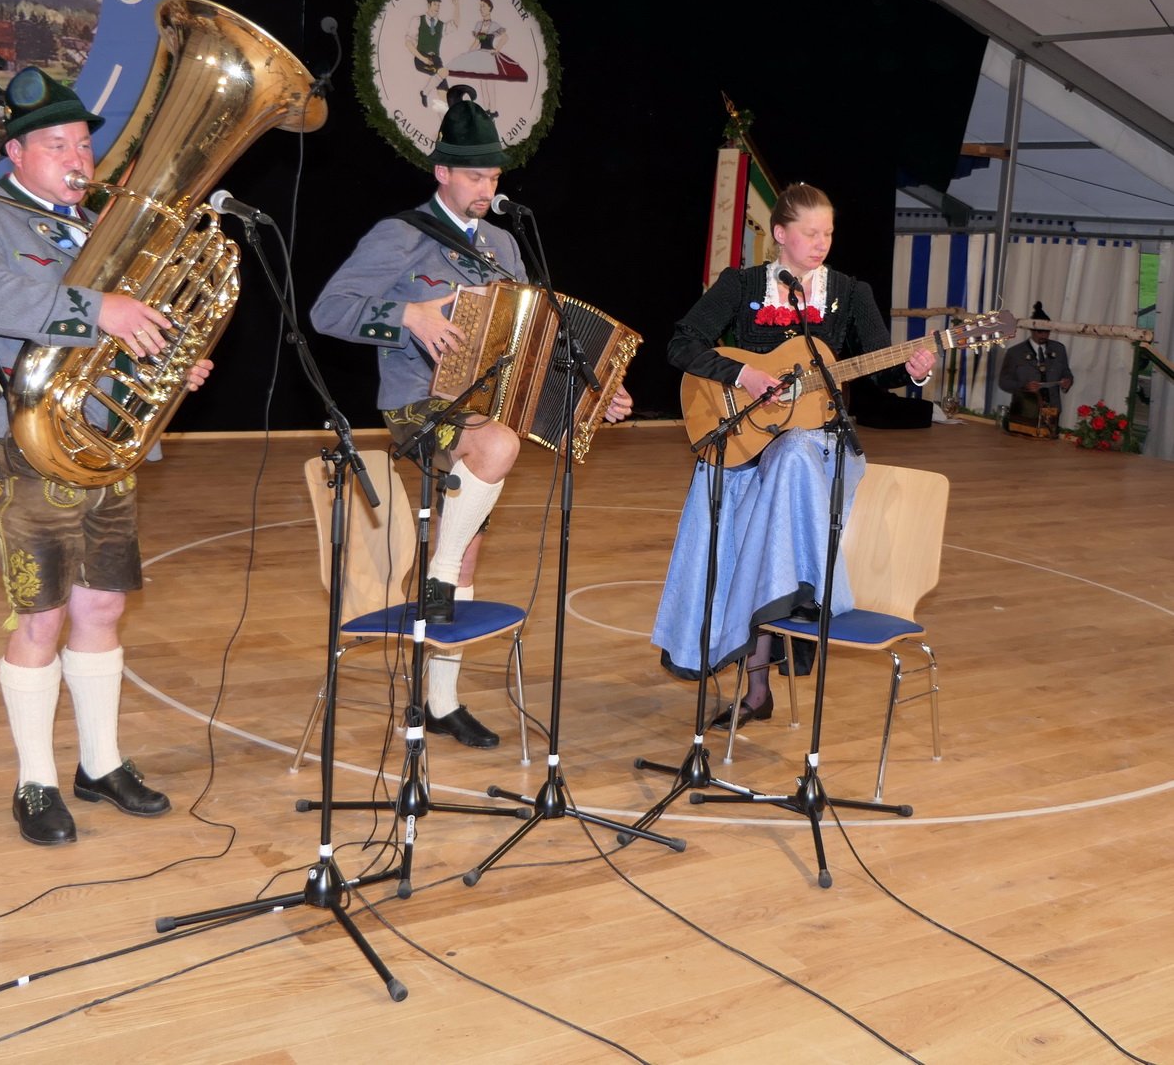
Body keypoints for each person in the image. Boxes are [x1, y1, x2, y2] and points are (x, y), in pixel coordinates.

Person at [0, 60, 214, 845]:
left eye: (84, 144)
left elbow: (125, 333)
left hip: (104, 440)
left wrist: (166, 358)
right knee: (43, 615)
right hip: (21, 438)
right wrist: (103, 309)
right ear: (16, 153)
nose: (77, 158)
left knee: (103, 606)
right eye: (56, 145)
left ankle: (102, 762)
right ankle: (35, 781)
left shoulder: (102, 227)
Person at [311, 91, 631, 749]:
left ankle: (441, 702)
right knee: (498, 446)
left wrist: (590, 394)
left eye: (494, 177)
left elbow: (533, 338)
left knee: (473, 532)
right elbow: (328, 310)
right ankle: (438, 571)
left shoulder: (505, 244)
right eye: (476, 176)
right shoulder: (399, 235)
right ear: (443, 173)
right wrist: (407, 315)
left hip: (484, 402)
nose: (488, 188)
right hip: (415, 401)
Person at [651, 183, 935, 729]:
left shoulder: (849, 292)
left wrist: (912, 371)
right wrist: (744, 374)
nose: (822, 243)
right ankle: (758, 684)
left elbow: (880, 368)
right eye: (810, 233)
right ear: (779, 234)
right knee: (768, 495)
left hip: (814, 454)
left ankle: (764, 674)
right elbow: (682, 343)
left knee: (794, 456)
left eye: (828, 233)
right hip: (744, 447)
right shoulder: (740, 285)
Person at [999, 300, 1074, 419]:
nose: (1044, 335)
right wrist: (1024, 386)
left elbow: (1066, 372)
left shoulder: (1059, 349)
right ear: (1031, 329)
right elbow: (1004, 382)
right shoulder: (1015, 353)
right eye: (1040, 331)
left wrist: (1067, 381)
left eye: (1047, 331)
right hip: (1025, 409)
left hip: (1052, 410)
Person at [405, 0, 458, 111]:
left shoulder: (440, 25)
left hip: (436, 60)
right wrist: (423, 58)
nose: (437, 7)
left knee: (444, 92)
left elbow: (455, 25)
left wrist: (456, 5)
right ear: (429, 4)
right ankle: (425, 93)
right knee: (444, 72)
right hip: (422, 57)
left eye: (439, 5)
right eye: (435, 4)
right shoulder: (418, 20)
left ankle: (445, 118)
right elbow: (409, 43)